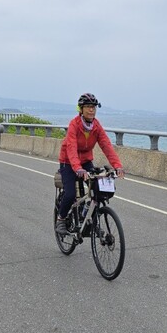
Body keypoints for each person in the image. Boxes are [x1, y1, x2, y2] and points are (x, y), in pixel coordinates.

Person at [55, 93, 125, 236]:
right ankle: (61, 219)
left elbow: (106, 145)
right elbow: (71, 148)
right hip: (68, 162)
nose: (91, 110)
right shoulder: (74, 124)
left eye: (93, 107)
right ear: (81, 109)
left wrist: (117, 165)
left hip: (86, 161)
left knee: (98, 190)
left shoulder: (96, 126)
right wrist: (77, 168)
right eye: (87, 107)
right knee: (70, 194)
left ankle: (89, 221)